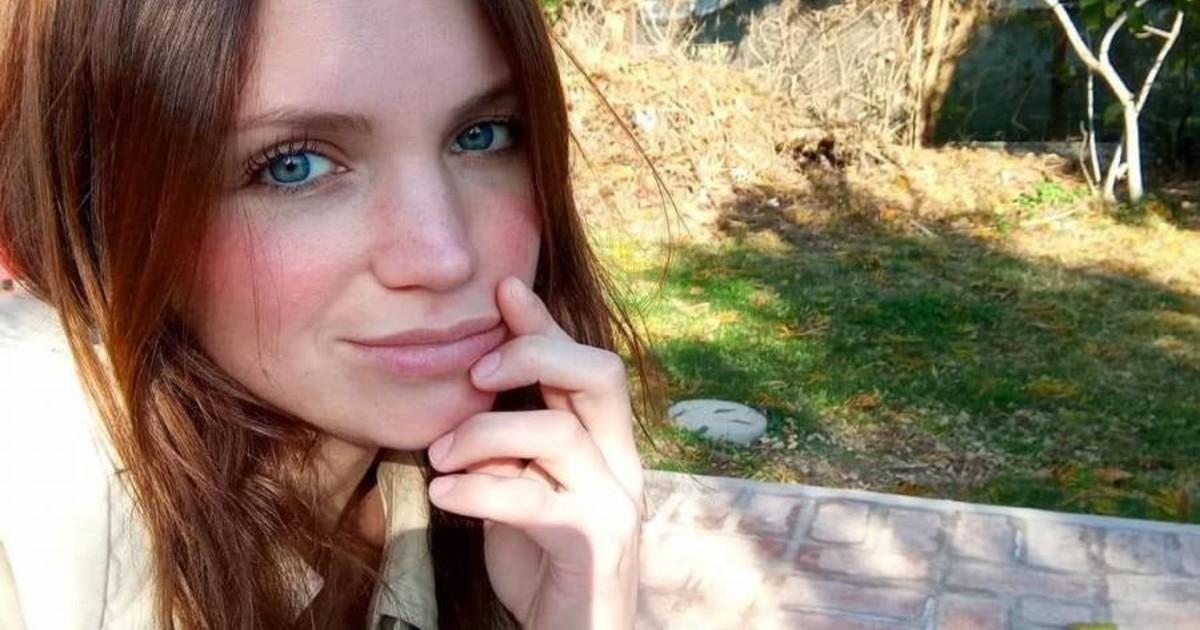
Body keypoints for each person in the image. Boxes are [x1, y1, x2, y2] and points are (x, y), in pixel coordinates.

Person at [0, 0, 652, 628]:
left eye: (482, 135)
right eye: (294, 165)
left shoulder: (464, 519)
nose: (444, 256)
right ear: (106, 204)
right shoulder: (36, 489)